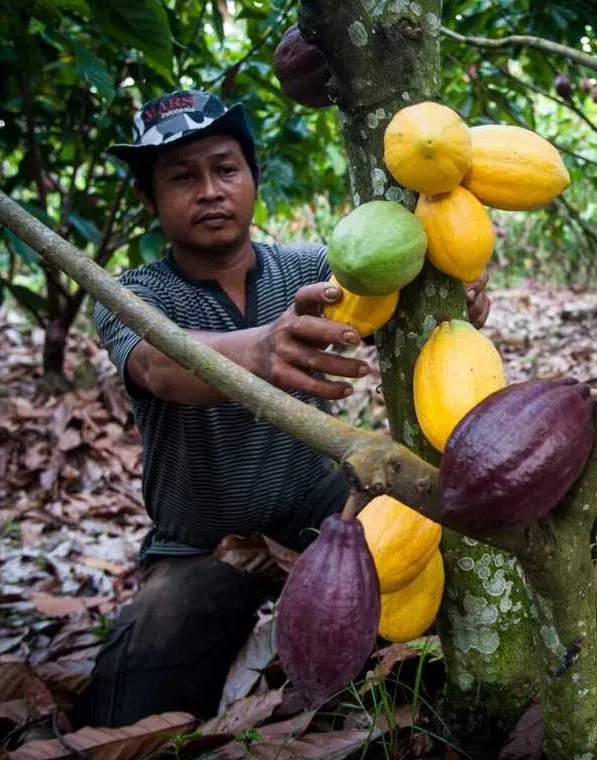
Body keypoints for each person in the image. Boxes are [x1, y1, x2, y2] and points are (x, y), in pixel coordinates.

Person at [71, 90, 490, 728]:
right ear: (148, 199)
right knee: (131, 714)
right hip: (200, 543)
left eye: (225, 169)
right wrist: (260, 352)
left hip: (320, 510)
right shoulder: (132, 294)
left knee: (418, 631)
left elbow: (404, 285)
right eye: (181, 178)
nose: (209, 191)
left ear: (254, 178)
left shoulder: (316, 268)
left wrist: (459, 290)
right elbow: (157, 365)